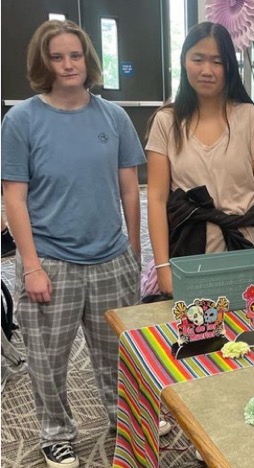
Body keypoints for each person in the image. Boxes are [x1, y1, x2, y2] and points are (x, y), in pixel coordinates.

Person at [1, 20, 145, 468]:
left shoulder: (113, 116)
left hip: (110, 258)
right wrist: (30, 266)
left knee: (116, 353)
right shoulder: (22, 119)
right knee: (48, 360)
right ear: (43, 63)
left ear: (88, 60)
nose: (68, 64)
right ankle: (56, 433)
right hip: (52, 262)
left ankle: (124, 417)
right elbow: (14, 197)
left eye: (75, 55)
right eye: (57, 57)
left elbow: (129, 190)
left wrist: (134, 253)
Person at [146, 22, 254, 296]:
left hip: (245, 248)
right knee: (196, 333)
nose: (207, 70)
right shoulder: (166, 122)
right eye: (198, 59)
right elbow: (157, 199)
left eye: (217, 61)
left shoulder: (249, 118)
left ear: (229, 66)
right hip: (188, 252)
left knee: (249, 332)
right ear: (184, 61)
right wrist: (162, 267)